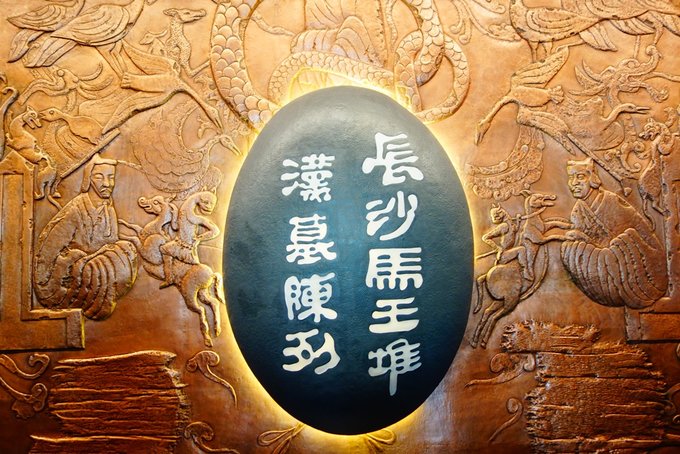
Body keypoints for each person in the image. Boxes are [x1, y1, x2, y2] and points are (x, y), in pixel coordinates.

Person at [33, 155, 137, 320]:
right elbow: (48, 252)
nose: (107, 183)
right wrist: (49, 285)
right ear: (88, 179)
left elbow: (110, 242)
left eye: (111, 177)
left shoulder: (108, 208)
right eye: (99, 177)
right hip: (64, 279)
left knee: (124, 249)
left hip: (92, 271)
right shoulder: (76, 209)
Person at [561, 158, 667, 308]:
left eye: (580, 177)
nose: (574, 183)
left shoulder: (610, 201)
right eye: (571, 178)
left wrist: (590, 241)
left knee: (622, 240)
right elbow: (594, 242)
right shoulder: (578, 211)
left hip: (641, 265)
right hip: (605, 261)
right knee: (569, 248)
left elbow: (634, 236)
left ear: (592, 178)